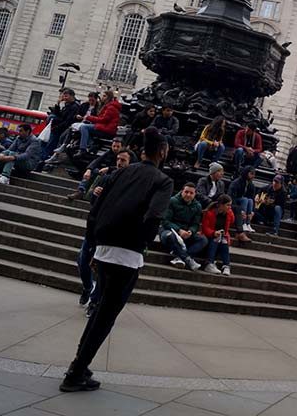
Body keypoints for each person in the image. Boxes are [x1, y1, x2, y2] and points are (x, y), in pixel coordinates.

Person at [59, 128, 171, 392]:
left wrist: (92, 247)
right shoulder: (162, 181)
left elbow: (94, 210)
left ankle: (80, 365)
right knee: (106, 315)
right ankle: (75, 372)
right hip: (128, 255)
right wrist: (142, 244)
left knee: (99, 310)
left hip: (102, 249)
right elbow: (154, 216)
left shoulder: (117, 173)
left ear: (141, 150)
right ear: (163, 152)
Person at [76, 147, 133, 311]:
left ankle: (94, 301)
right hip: (95, 228)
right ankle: (88, 287)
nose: (120, 163)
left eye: (124, 160)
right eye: (118, 159)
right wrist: (95, 193)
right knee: (82, 261)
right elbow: (91, 200)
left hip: (112, 233)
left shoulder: (130, 184)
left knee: (103, 268)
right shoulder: (106, 177)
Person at [159, 183, 206, 270]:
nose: (188, 195)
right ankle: (187, 259)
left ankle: (180, 257)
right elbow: (165, 221)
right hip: (169, 230)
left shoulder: (198, 206)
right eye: (186, 192)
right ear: (182, 191)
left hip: (185, 233)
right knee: (170, 236)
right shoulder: (172, 201)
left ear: (195, 194)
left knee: (203, 240)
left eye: (191, 193)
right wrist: (179, 230)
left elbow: (195, 224)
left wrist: (191, 231)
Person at [42, 88, 79, 166]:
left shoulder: (74, 107)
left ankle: (44, 159)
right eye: (64, 96)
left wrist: (56, 127)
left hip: (61, 129)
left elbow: (67, 121)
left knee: (51, 144)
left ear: (72, 96)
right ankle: (43, 158)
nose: (64, 98)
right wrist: (58, 104)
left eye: (66, 96)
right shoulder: (67, 105)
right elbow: (59, 114)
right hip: (57, 128)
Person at [201, 194, 235, 275]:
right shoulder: (209, 213)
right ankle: (209, 263)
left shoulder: (229, 213)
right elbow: (205, 228)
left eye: (230, 205)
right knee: (216, 239)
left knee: (224, 242)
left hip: (222, 236)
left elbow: (232, 221)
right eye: (228, 205)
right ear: (221, 205)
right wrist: (213, 233)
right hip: (209, 236)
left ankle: (226, 265)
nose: (230, 207)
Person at [228, 166, 257, 235]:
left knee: (250, 200)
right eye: (251, 174)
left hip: (245, 203)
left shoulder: (250, 184)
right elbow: (231, 196)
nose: (253, 176)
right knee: (245, 199)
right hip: (235, 203)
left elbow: (252, 197)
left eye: (254, 174)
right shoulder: (236, 182)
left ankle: (248, 223)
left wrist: (252, 211)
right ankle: (243, 222)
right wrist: (239, 209)